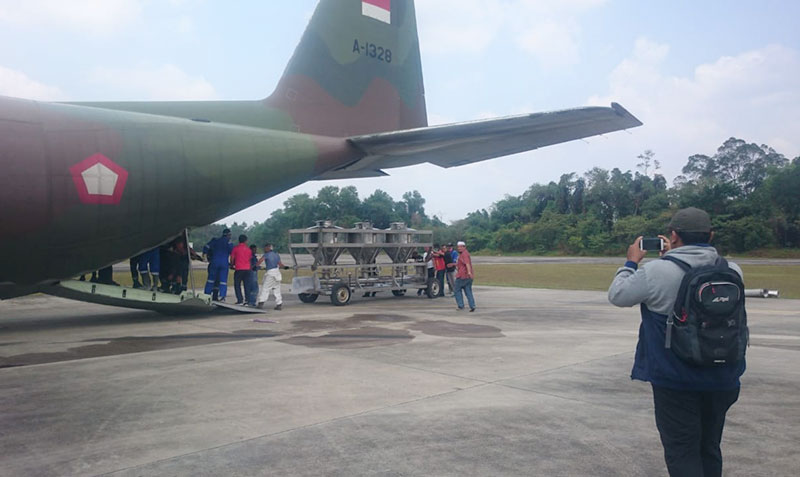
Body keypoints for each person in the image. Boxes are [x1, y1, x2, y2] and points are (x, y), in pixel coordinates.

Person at [608, 207, 745, 477]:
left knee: (682, 451)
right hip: (723, 377)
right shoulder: (732, 269)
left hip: (677, 379)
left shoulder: (657, 270)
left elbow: (618, 295)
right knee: (709, 447)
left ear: (673, 235)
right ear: (711, 235)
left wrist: (631, 262)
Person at [203, 229, 233, 301]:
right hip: (224, 263)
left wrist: (204, 254)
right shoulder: (229, 243)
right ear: (228, 235)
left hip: (214, 262)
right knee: (223, 281)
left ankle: (207, 295)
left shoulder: (215, 240)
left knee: (211, 279)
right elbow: (232, 252)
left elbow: (206, 247)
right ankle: (222, 296)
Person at [257, 243, 287, 310]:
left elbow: (260, 261)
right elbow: (280, 264)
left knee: (265, 288)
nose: (264, 249)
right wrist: (285, 267)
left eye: (265, 248)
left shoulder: (266, 255)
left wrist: (255, 266)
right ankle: (279, 304)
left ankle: (261, 303)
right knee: (277, 289)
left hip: (270, 273)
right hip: (277, 272)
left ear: (268, 248)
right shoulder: (276, 254)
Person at [230, 234, 253, 305]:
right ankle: (247, 300)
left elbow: (232, 258)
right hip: (247, 268)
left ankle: (240, 300)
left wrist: (231, 265)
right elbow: (250, 259)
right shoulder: (249, 250)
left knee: (237, 285)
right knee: (247, 285)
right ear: (246, 241)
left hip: (239, 268)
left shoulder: (235, 248)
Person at [454, 241, 475, 311]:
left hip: (462, 276)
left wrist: (469, 272)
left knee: (457, 289)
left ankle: (460, 305)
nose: (459, 248)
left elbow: (467, 264)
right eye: (458, 247)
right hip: (467, 277)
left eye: (461, 247)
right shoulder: (464, 254)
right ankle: (472, 305)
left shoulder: (464, 254)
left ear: (464, 247)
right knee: (468, 290)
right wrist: (453, 264)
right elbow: (462, 264)